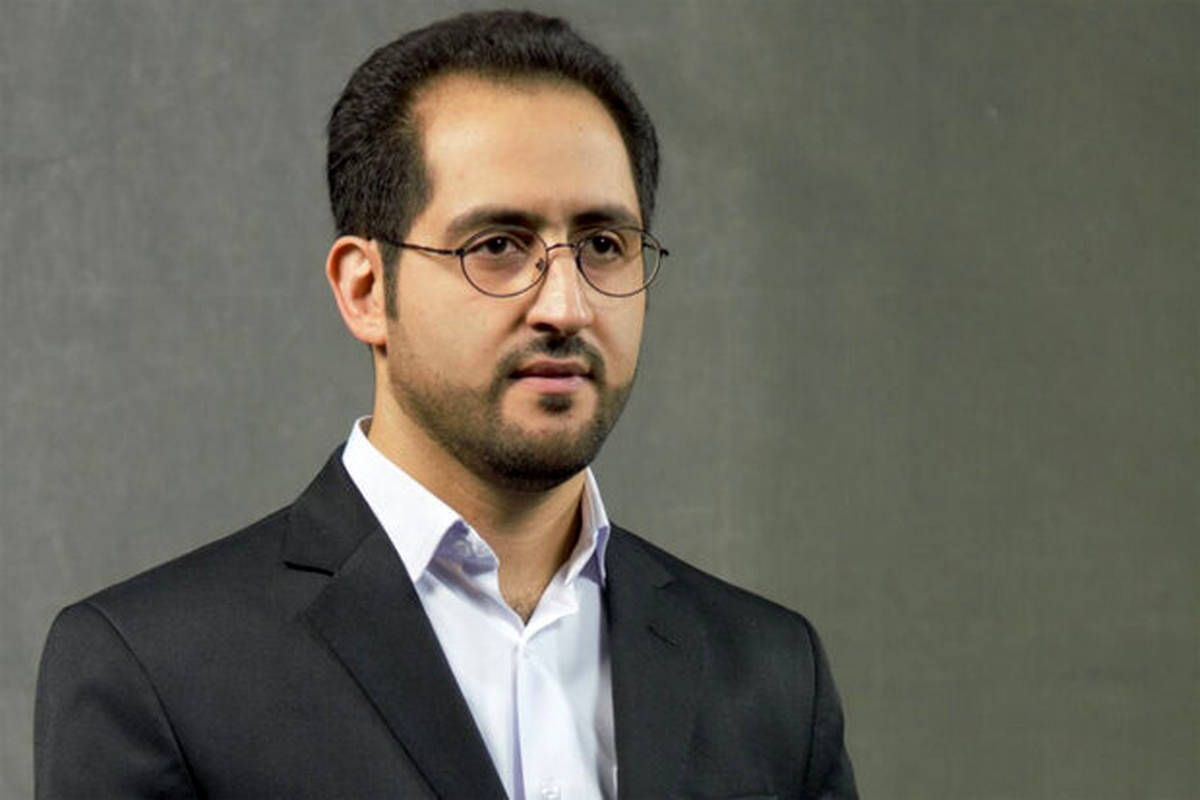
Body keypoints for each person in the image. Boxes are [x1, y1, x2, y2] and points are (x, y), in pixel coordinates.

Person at [34, 10, 857, 799]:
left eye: (604, 245)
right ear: (365, 290)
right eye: (497, 246)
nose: (566, 306)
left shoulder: (772, 670)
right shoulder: (157, 670)